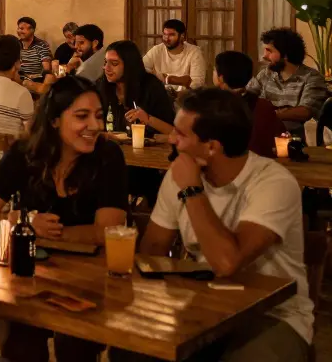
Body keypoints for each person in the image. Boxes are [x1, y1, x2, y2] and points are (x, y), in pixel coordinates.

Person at [131, 89, 312, 362]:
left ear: (212, 147)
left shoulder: (273, 182)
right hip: (204, 306)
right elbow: (152, 250)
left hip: (274, 316)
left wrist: (192, 190)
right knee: (133, 351)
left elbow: (227, 263)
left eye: (180, 134)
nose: (171, 139)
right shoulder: (180, 174)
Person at [0, 75, 127, 362]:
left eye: (98, 116)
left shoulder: (107, 155)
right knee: (20, 338)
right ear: (54, 120)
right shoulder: (26, 152)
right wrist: (22, 223)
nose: (95, 126)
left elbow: (109, 231)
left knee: (75, 343)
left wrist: (39, 232)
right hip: (28, 273)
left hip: (88, 279)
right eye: (82, 116)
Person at [246, 27, 328, 137]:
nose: (264, 56)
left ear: (285, 55)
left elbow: (305, 112)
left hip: (295, 139)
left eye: (269, 51)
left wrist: (268, 115)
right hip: (264, 135)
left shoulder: (312, 77)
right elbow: (248, 98)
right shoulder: (265, 74)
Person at [214, 50, 287, 158]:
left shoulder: (215, 107)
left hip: (229, 163)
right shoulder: (264, 105)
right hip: (264, 162)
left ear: (221, 77)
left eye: (214, 70)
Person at [97, 40, 176, 135]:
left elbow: (173, 132)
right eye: (105, 62)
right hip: (113, 143)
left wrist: (148, 119)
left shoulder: (151, 86)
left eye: (114, 63)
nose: (106, 68)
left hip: (150, 144)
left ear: (130, 65)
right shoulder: (101, 86)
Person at [142, 19, 206, 90]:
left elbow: (197, 82)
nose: (166, 39)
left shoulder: (194, 52)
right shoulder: (157, 50)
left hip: (184, 95)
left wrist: (168, 79)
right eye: (165, 34)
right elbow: (141, 68)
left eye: (171, 35)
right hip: (159, 94)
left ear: (182, 36)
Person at [15, 16, 56, 95]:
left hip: (36, 81)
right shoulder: (16, 45)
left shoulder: (41, 45)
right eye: (19, 28)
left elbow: (47, 68)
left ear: (32, 30)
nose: (20, 31)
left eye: (22, 29)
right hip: (19, 80)